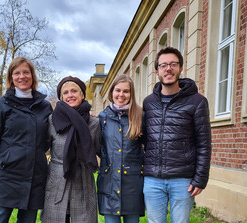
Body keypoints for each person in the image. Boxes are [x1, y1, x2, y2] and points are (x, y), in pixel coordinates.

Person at [142, 46, 212, 223]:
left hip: (182, 179)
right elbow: (143, 137)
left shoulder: (197, 102)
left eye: (173, 64)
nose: (168, 69)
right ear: (157, 71)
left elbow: (204, 143)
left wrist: (200, 178)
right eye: (163, 65)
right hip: (152, 179)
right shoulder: (149, 102)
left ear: (181, 68)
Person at [0, 57, 52, 223]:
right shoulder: (1, 104)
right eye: (17, 73)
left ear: (32, 76)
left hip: (34, 177)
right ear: (11, 78)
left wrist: (85, 119)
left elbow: (56, 132)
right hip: (5, 177)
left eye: (26, 72)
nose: (22, 76)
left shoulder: (45, 106)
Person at [41, 76, 100, 223]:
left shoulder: (94, 123)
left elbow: (101, 150)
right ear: (61, 98)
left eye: (74, 91)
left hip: (83, 180)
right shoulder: (52, 120)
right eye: (65, 93)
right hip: (57, 180)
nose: (70, 95)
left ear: (82, 95)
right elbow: (40, 147)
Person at [97, 74, 145, 223]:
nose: (121, 95)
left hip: (133, 183)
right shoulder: (102, 117)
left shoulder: (140, 115)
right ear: (112, 92)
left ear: (131, 94)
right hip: (109, 182)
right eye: (118, 90)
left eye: (126, 91)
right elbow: (99, 147)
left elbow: (149, 146)